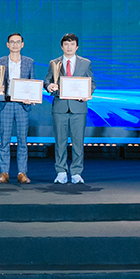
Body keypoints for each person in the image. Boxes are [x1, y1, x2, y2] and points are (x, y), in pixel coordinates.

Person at [43, 33, 96, 184]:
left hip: (78, 107)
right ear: (62, 46)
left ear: (77, 47)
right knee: (60, 142)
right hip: (60, 107)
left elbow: (92, 83)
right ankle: (61, 171)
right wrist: (49, 86)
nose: (69, 47)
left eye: (72, 44)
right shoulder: (54, 63)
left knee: (78, 142)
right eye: (66, 44)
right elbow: (47, 81)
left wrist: (87, 94)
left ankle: (76, 172)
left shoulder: (85, 63)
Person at [0, 32, 35, 184]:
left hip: (22, 105)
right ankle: (4, 172)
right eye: (12, 42)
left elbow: (32, 83)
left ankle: (22, 172)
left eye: (18, 42)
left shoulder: (29, 62)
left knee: (23, 140)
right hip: (6, 104)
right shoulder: (0, 61)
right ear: (7, 44)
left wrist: (31, 97)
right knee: (4, 140)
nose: (15, 44)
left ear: (22, 44)